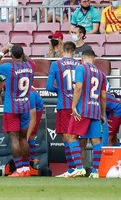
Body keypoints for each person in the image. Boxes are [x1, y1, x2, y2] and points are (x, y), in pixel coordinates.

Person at [0, 44, 35, 177]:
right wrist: (21, 52)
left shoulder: (8, 67)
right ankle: (26, 168)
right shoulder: (30, 66)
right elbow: (28, 59)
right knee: (23, 138)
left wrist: (2, 52)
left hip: (12, 108)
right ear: (22, 54)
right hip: (25, 106)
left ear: (11, 55)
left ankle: (20, 169)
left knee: (14, 138)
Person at [66, 49, 106, 178]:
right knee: (96, 141)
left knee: (71, 137)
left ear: (82, 58)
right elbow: (103, 96)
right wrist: (102, 114)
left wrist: (73, 106)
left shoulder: (81, 68)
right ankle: (95, 172)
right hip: (95, 110)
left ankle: (79, 168)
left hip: (82, 109)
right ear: (94, 59)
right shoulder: (101, 74)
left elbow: (78, 87)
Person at [46, 41, 79, 177]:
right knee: (70, 136)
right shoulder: (80, 65)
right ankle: (72, 170)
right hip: (77, 105)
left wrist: (59, 91)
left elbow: (48, 87)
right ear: (74, 52)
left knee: (67, 136)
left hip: (64, 105)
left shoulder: (56, 64)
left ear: (62, 50)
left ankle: (76, 167)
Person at [27, 86, 43, 175]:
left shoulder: (31, 94)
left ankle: (31, 163)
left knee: (30, 136)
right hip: (21, 106)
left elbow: (33, 120)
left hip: (36, 109)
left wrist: (26, 138)